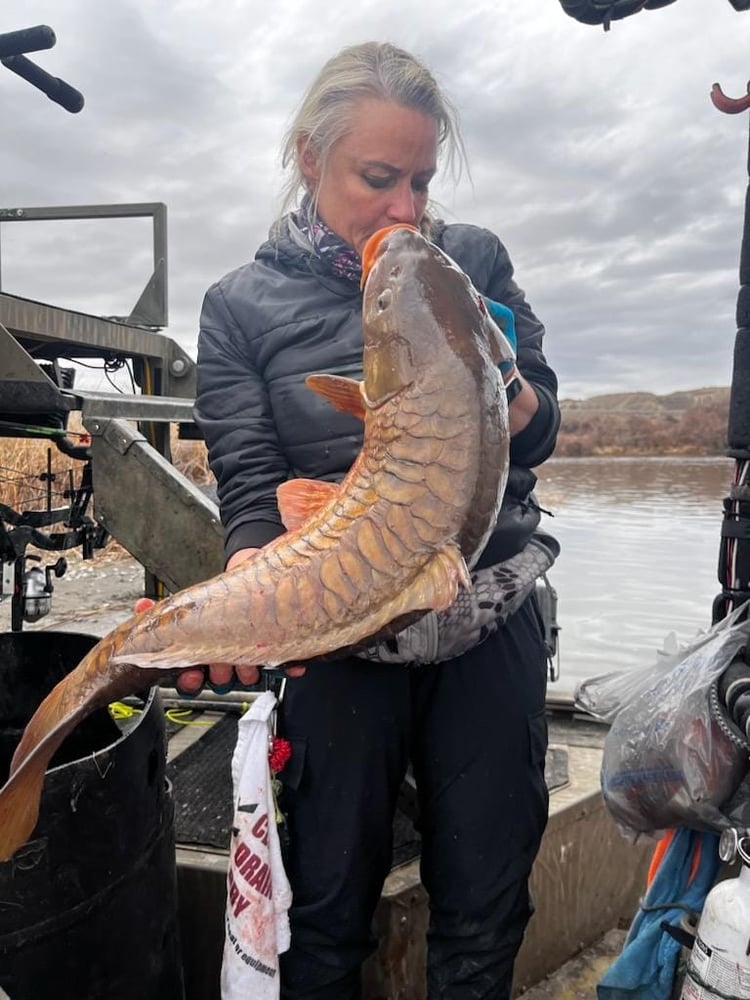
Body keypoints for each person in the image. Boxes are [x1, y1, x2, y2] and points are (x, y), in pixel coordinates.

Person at [189, 40, 561, 1000]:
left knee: (485, 902)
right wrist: (249, 586)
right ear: (310, 160)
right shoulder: (239, 307)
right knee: (323, 909)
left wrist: (499, 376)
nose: (407, 208)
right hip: (344, 634)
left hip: (487, 609)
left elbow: (544, 430)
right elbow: (249, 487)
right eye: (379, 177)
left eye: (423, 180)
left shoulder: (470, 260)